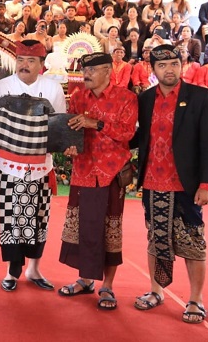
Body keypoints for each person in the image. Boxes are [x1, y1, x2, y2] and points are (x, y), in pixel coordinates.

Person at [132, 44, 208, 324]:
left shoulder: (201, 96)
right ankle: (156, 292)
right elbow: (138, 138)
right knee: (155, 240)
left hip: (187, 185)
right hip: (153, 182)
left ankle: (196, 299)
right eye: (162, 65)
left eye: (174, 64)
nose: (170, 70)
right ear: (153, 69)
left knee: (193, 242)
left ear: (182, 66)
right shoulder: (145, 99)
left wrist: (207, 184)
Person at [58, 52, 138, 311]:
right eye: (84, 70)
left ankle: (108, 286)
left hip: (111, 173)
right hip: (82, 170)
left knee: (109, 230)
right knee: (83, 228)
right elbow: (69, 129)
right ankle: (84, 279)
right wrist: (69, 145)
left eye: (92, 70)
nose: (86, 75)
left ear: (107, 71)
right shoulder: (78, 96)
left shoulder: (126, 97)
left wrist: (96, 123)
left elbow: (127, 133)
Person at [0, 40, 66, 292]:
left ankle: (34, 268)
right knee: (10, 217)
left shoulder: (53, 88)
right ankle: (11, 272)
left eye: (31, 60)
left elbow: (60, 126)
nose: (24, 65)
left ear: (41, 64)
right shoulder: (1, 87)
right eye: (21, 59)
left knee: (39, 218)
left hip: (41, 166)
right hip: (9, 165)